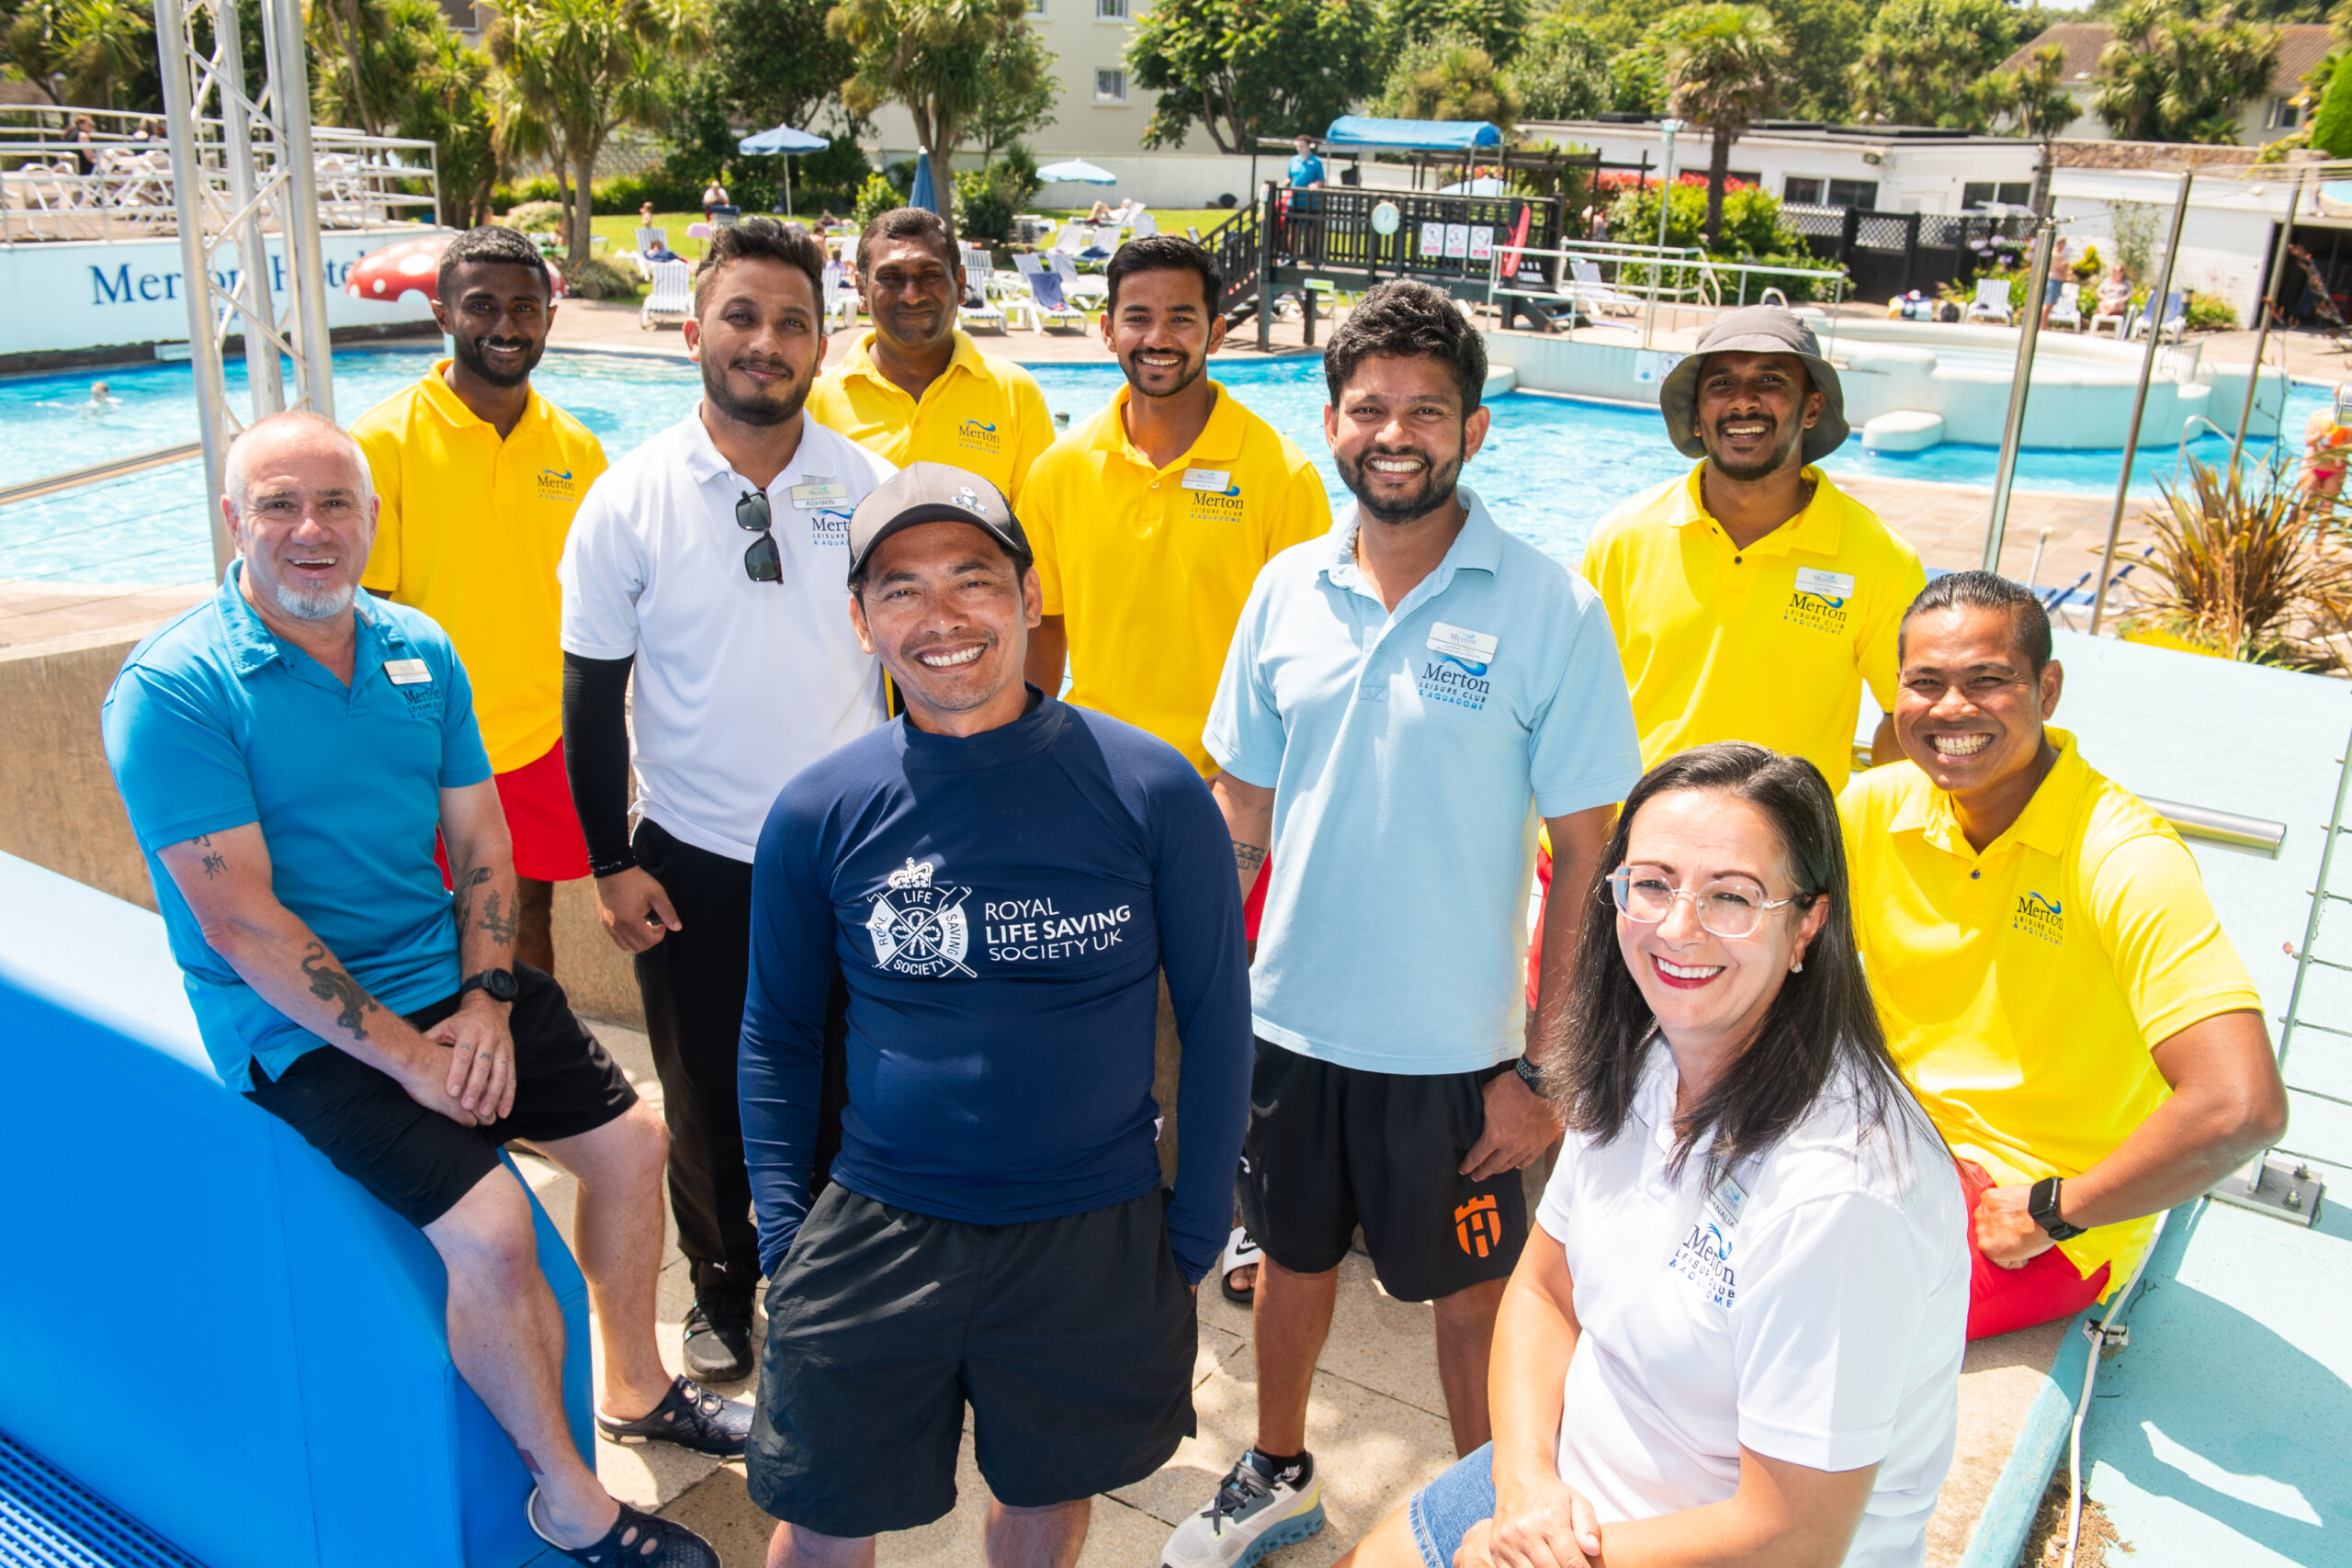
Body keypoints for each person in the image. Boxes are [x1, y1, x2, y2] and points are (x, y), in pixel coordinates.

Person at [100, 412, 744, 1568]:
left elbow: (484, 841)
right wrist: (410, 1058)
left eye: (335, 504)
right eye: (280, 505)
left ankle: (636, 1390)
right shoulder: (177, 688)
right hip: (295, 1021)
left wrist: (487, 1000)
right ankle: (568, 1500)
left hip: (449, 975)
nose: (311, 529)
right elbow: (240, 922)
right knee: (494, 1230)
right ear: (234, 520)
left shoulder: (416, 647)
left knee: (633, 1147)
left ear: (372, 520)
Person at [1161, 280, 1642, 1568]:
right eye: (1368, 407)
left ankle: (1498, 1512)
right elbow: (1242, 812)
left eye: (1426, 409)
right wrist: (1201, 993)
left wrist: (1548, 1070)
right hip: (1290, 1026)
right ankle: (1275, 1473)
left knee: (1477, 1301)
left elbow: (1588, 855)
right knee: (1289, 1265)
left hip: (1457, 1053)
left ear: (1474, 429)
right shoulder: (1284, 591)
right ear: (1330, 424)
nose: (1394, 433)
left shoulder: (1550, 608)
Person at [737, 463, 1252, 1567]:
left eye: (972, 578)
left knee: (1044, 1499)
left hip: (1091, 1229)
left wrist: (1193, 1231)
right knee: (821, 1517)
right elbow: (777, 1032)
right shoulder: (818, 810)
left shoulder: (1153, 789)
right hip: (879, 1218)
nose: (943, 617)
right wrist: (783, 1234)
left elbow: (1218, 1019)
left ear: (1028, 595)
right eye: (902, 589)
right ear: (861, 620)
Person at [1338, 742, 1969, 1568]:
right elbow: (1545, 1289)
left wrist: (1543, 1555)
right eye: (1653, 883)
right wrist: (1525, 1486)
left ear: (1807, 924)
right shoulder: (1646, 1054)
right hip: (1566, 1490)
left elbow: (1793, 1537)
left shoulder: (1842, 1195)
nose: (1677, 927)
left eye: (1732, 896)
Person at [560, 218, 896, 1385]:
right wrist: (610, 861)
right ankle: (719, 1285)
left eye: (792, 322)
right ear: (694, 330)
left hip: (848, 858)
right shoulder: (626, 500)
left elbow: (914, 673)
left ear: (822, 345)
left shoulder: (868, 489)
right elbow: (588, 695)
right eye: (741, 316)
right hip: (692, 856)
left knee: (848, 1085)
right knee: (705, 1093)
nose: (766, 341)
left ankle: (835, 1284)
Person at [1840, 572, 2288, 1340]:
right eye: (1925, 683)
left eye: (1988, 680)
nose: (1951, 708)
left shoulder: (2126, 858)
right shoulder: (1875, 805)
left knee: (1822, 1318)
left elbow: (2241, 1105)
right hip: (1889, 1141)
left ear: (2047, 689)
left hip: (2029, 1215)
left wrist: (2056, 1209)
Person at [1530, 305, 1924, 1003]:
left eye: (1770, 379)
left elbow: (1907, 717)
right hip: (1626, 873)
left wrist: (1859, 850)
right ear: (1697, 410)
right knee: (1575, 1062)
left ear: (1812, 406)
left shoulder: (1880, 560)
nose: (1743, 401)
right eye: (1721, 383)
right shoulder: (1624, 537)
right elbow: (1566, 704)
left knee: (1755, 1070)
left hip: (1773, 890)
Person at [352, 226, 604, 978]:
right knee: (428, 926)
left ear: (549, 317)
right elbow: (361, 612)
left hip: (540, 736)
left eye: (524, 307)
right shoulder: (381, 442)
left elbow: (600, 603)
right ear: (442, 313)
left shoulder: (577, 449)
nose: (505, 325)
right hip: (424, 744)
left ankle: (530, 1052)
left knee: (527, 919)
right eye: (482, 305)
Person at [806, 206, 1056, 504]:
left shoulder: (1016, 394)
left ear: (960, 285)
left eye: (930, 275)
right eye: (891, 277)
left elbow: (1040, 522)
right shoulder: (814, 403)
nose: (912, 295)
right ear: (861, 290)